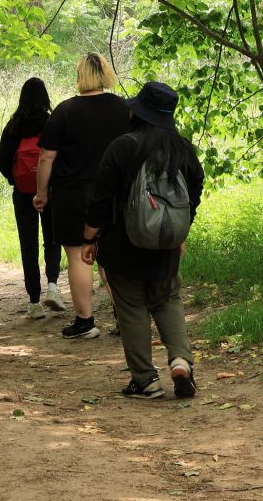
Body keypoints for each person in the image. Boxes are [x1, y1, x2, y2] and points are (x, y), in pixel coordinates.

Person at [81, 81, 205, 399]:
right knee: (168, 300)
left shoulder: (123, 146)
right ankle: (180, 360)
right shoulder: (183, 149)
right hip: (165, 247)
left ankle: (146, 381)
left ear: (139, 112)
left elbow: (99, 196)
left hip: (122, 245)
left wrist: (89, 238)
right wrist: (179, 231)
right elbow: (194, 194)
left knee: (132, 307)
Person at [34, 53, 129, 339]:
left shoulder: (65, 111)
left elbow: (46, 158)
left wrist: (40, 194)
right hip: (113, 194)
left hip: (72, 194)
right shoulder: (123, 109)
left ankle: (85, 321)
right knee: (110, 257)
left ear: (80, 75)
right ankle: (126, 317)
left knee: (78, 256)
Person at [0, 78, 63, 319]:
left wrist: (16, 180)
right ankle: (53, 287)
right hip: (51, 191)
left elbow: (2, 161)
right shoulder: (51, 122)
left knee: (28, 244)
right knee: (52, 238)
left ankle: (34, 302)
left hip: (23, 193)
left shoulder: (13, 126)